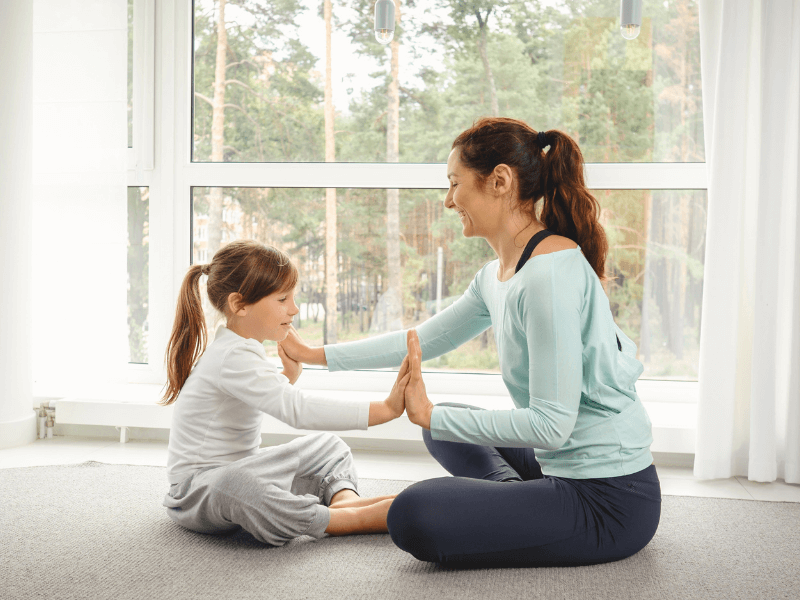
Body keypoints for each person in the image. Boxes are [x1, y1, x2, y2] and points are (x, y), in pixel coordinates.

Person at [281, 117, 662, 567]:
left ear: (499, 181)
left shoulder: (548, 276)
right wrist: (313, 355)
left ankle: (502, 506)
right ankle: (517, 502)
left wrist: (431, 412)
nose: (448, 200)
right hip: (556, 467)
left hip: (608, 499)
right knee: (443, 431)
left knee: (414, 512)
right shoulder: (499, 274)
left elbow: (552, 427)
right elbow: (421, 340)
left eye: (454, 183)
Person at [160, 240, 411, 547]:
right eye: (282, 299)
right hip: (197, 491)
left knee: (328, 447)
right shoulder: (232, 355)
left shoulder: (240, 349)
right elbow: (298, 410)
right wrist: (385, 409)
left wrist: (286, 377)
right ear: (239, 304)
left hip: (244, 468)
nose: (293, 309)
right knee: (236, 485)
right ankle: (345, 519)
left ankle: (345, 501)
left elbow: (255, 397)